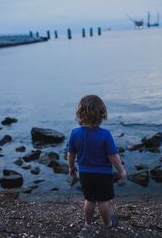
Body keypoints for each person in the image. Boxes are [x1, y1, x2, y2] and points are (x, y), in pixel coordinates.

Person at [67, 95, 127, 228]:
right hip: (103, 174)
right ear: (102, 115)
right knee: (103, 202)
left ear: (80, 114)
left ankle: (88, 223)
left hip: (85, 174)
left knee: (89, 200)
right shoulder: (105, 134)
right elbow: (113, 156)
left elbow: (71, 154)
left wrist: (71, 168)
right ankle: (107, 223)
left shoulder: (75, 133)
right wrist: (121, 170)